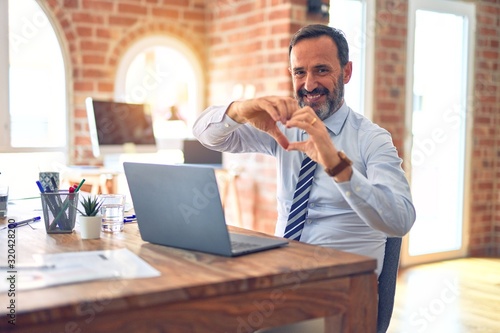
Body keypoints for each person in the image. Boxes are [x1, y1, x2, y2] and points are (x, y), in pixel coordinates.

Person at [193, 24, 416, 276]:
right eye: (299, 72)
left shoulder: (372, 140)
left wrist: (337, 165)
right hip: (282, 276)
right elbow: (205, 134)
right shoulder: (284, 127)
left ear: (346, 72)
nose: (309, 85)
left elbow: (400, 220)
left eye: (321, 70)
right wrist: (242, 110)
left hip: (342, 290)